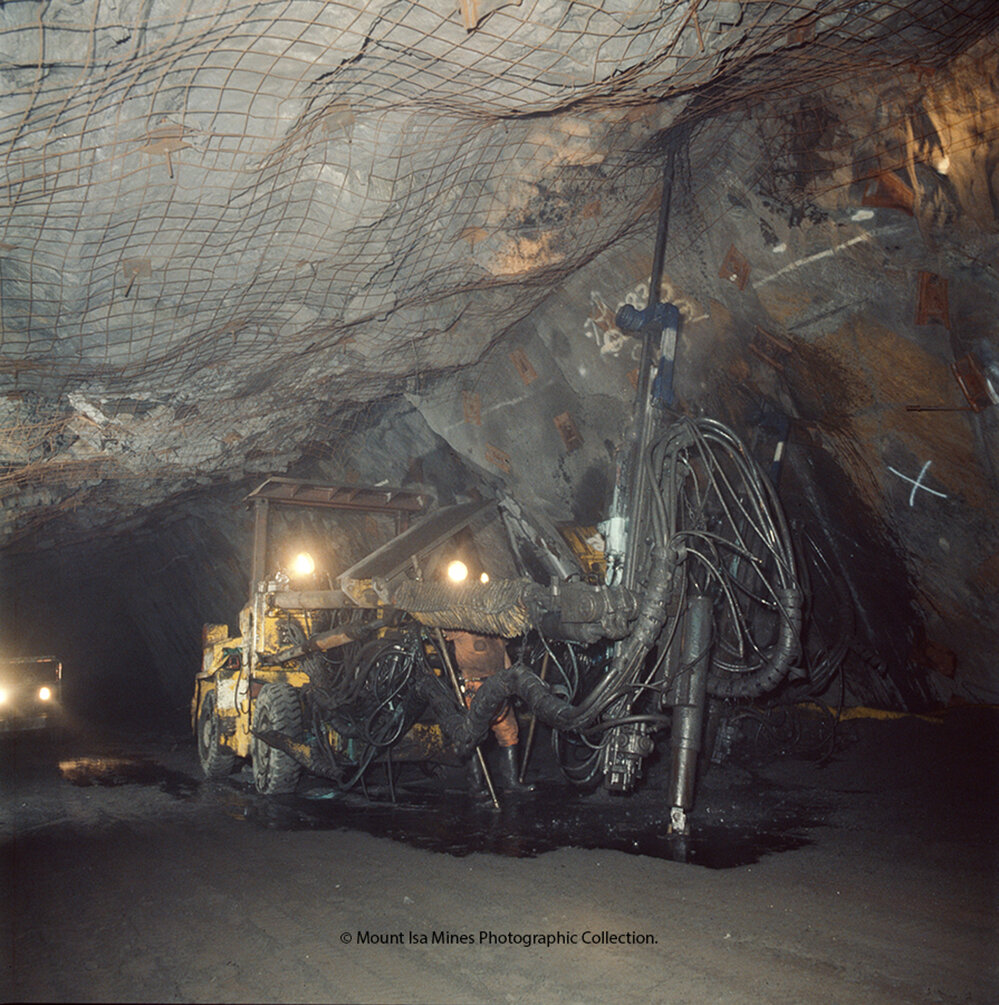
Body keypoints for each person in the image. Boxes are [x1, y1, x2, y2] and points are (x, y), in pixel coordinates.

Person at [443, 629, 531, 795]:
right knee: (472, 736)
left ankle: (511, 783)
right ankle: (476, 785)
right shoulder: (461, 627)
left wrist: (512, 684)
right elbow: (440, 632)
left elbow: (505, 659)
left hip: (498, 688)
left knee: (509, 732)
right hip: (474, 689)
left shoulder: (495, 631)